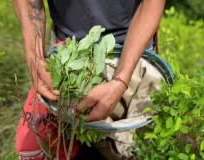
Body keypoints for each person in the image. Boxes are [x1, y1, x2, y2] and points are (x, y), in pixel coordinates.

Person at [13, 0, 166, 159]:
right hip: (68, 50)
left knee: (128, 147)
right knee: (33, 147)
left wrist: (120, 80)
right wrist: (35, 57)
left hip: (131, 50)